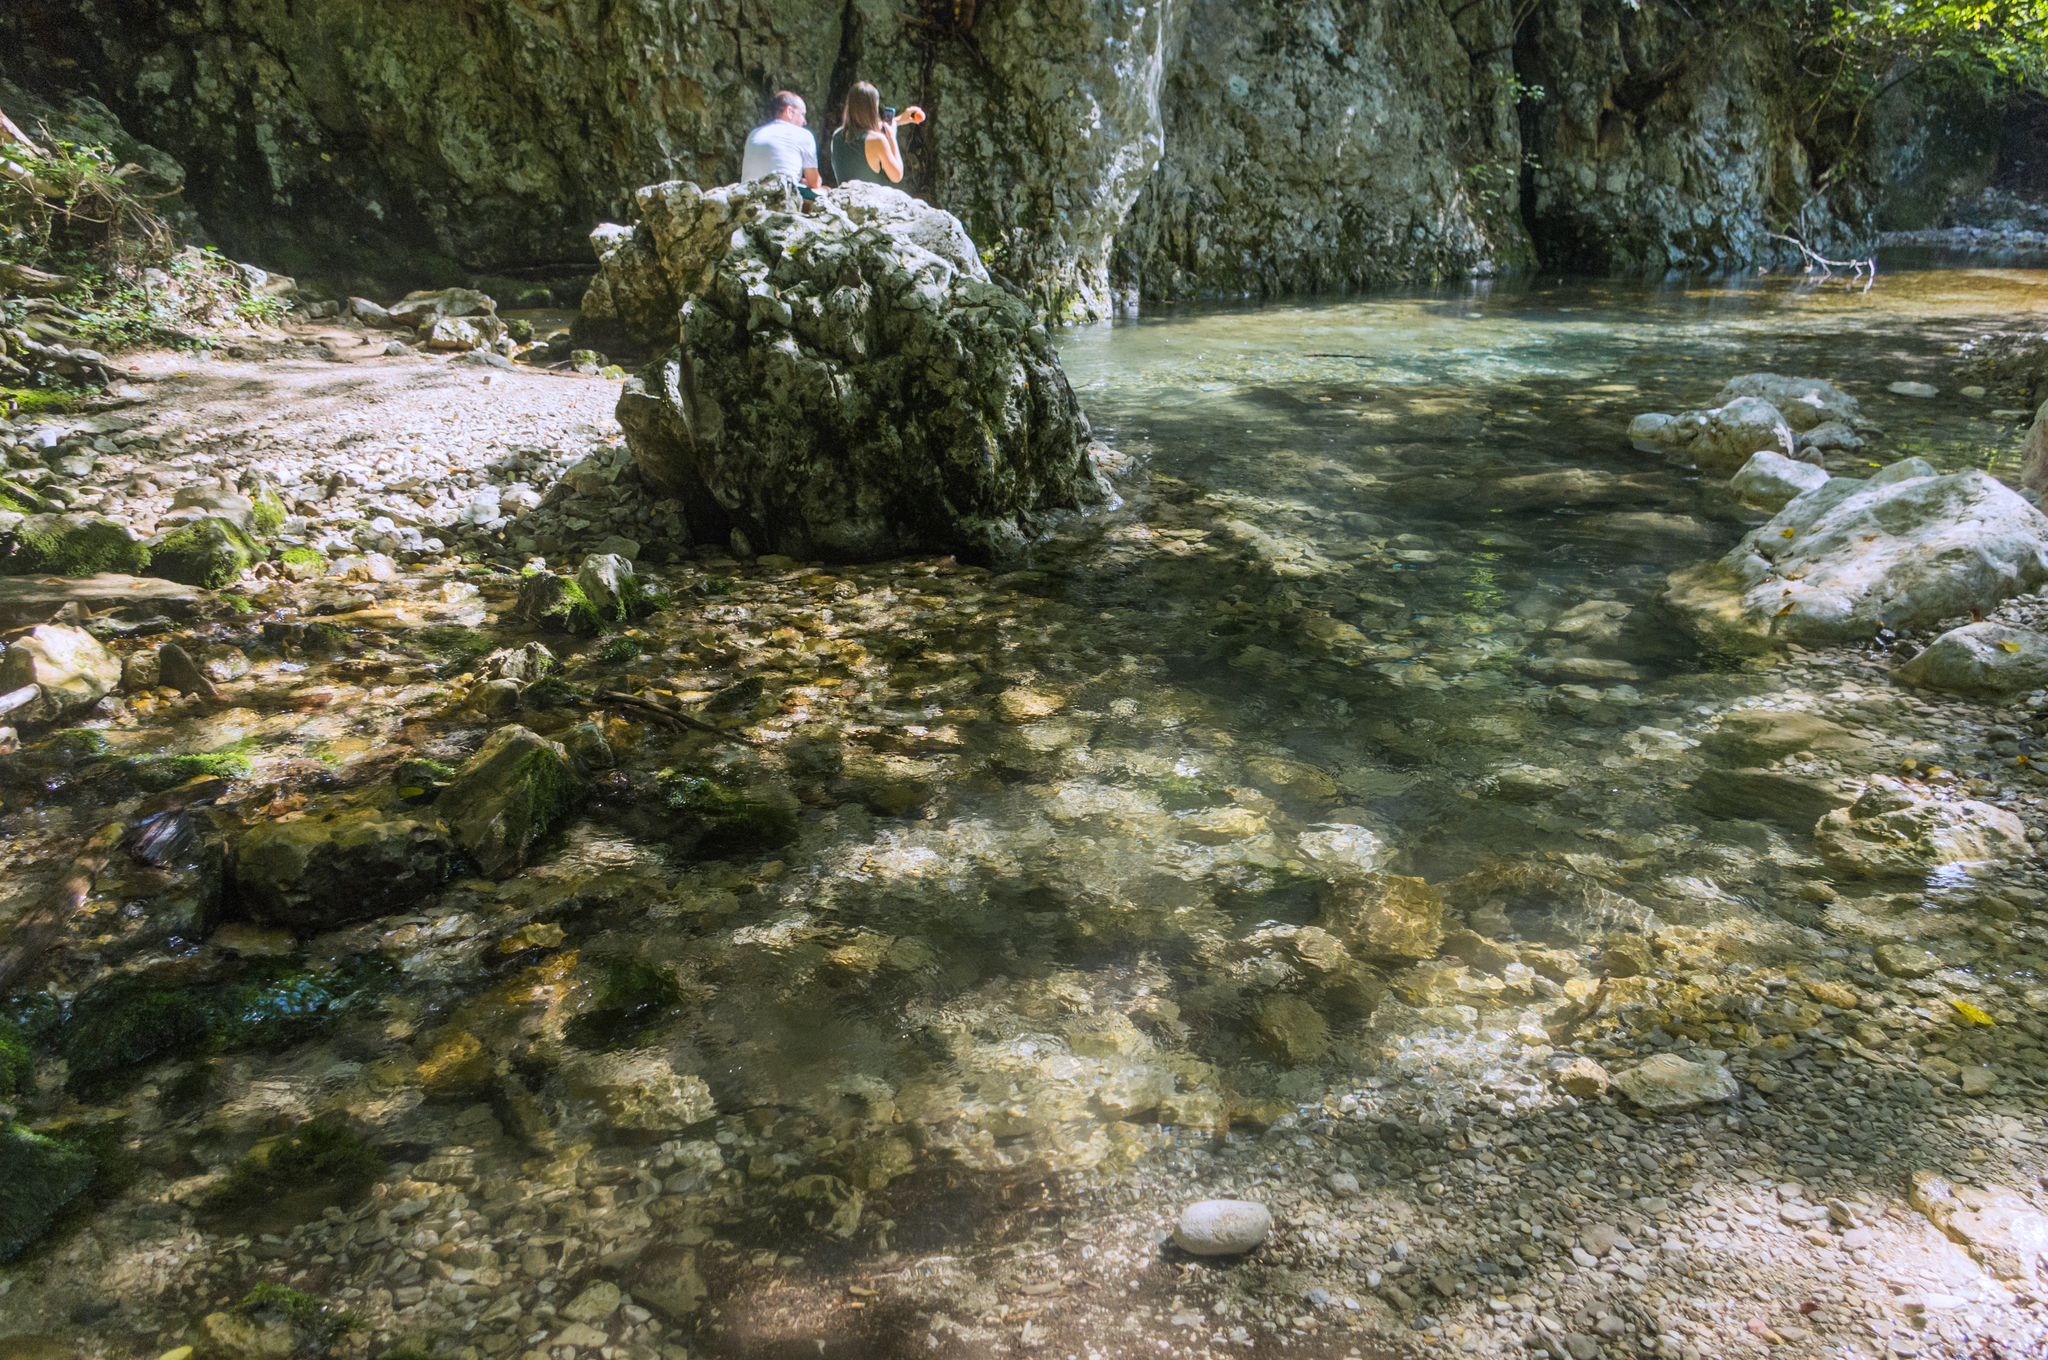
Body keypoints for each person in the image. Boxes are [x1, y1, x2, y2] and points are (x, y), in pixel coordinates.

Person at [830, 81, 924, 187]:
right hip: (871, 202)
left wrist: (900, 120)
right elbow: (897, 176)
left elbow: (862, 129)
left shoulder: (837, 135)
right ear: (873, 108)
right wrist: (892, 137)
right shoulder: (878, 140)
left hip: (845, 200)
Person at [740, 91, 821, 197]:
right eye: (802, 115)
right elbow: (814, 183)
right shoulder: (804, 134)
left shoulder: (754, 133)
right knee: (825, 191)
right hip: (783, 197)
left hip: (749, 196)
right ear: (789, 111)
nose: (805, 121)